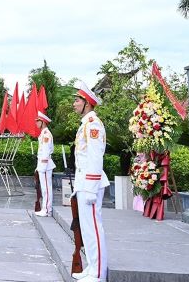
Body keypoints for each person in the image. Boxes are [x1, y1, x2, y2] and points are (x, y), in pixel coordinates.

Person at [71, 81, 108, 282]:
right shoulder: (85, 124)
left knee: (94, 227)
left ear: (87, 103)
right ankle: (92, 267)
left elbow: (95, 157)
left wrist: (92, 187)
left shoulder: (93, 124)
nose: (74, 104)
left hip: (91, 183)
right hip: (84, 183)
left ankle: (99, 273)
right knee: (86, 229)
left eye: (77, 100)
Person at [35, 112, 55, 217]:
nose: (36, 123)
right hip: (43, 165)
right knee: (44, 188)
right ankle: (45, 208)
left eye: (38, 121)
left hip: (45, 165)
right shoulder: (43, 134)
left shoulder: (46, 134)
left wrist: (41, 167)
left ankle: (47, 209)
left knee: (46, 188)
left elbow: (46, 152)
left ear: (43, 122)